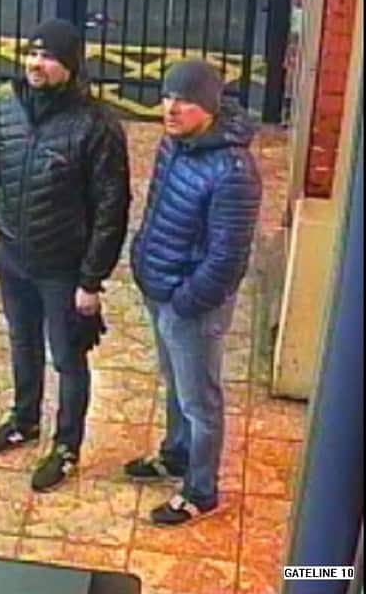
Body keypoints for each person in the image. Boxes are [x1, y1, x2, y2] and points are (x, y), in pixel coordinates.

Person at [0, 18, 131, 493]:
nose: (36, 65)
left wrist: (91, 279)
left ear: (70, 66)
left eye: (48, 58)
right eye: (32, 54)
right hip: (13, 256)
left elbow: (111, 207)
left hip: (63, 269)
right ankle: (25, 420)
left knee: (67, 357)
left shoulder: (96, 126)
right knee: (22, 342)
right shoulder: (6, 111)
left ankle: (66, 446)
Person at [125, 59, 262, 526]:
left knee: (200, 401)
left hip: (192, 304)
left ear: (209, 107)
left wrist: (185, 301)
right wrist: (141, 255)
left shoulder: (234, 171)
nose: (171, 107)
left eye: (184, 100)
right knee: (176, 383)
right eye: (167, 96)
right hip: (160, 285)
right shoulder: (174, 145)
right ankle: (176, 453)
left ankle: (201, 491)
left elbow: (227, 258)